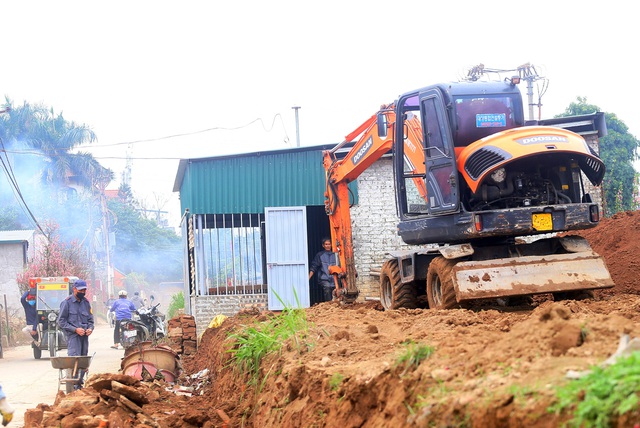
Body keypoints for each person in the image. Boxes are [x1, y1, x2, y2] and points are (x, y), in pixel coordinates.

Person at [58, 279, 94, 389]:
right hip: (73, 337)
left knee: (83, 361)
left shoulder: (86, 303)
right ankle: (73, 385)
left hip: (84, 338)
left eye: (84, 290)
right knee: (74, 360)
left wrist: (90, 328)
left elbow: (91, 320)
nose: (83, 292)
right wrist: (75, 329)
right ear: (74, 289)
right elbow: (61, 321)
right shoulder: (67, 302)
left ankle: (79, 383)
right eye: (80, 290)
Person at [309, 238, 338, 302]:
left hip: (335, 279)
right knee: (327, 287)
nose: (328, 246)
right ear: (323, 245)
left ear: (331, 245)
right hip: (324, 279)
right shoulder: (320, 255)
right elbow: (314, 266)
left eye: (329, 244)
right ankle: (329, 304)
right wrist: (309, 277)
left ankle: (336, 305)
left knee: (337, 290)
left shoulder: (336, 255)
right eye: (326, 244)